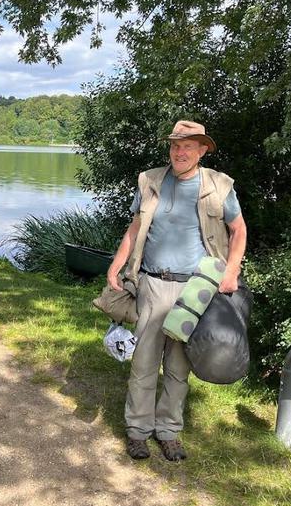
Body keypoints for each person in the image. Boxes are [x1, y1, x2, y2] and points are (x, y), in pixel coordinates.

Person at [105, 120, 247, 462]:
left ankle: (168, 431)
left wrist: (231, 271)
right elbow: (135, 227)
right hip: (152, 284)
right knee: (143, 362)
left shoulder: (219, 185)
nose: (180, 152)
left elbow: (238, 229)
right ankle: (138, 431)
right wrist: (117, 265)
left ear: (202, 151)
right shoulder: (150, 180)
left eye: (188, 146)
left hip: (196, 289)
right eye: (175, 146)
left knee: (178, 367)